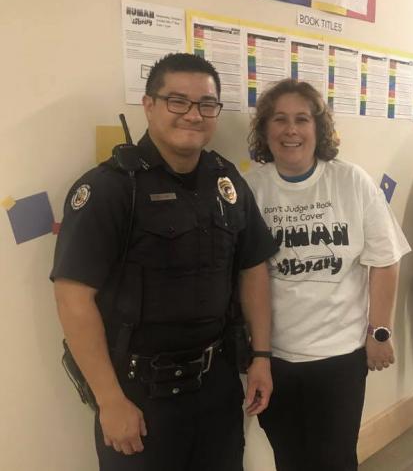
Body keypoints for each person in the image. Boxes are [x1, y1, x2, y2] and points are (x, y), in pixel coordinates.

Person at [51, 53, 277, 471]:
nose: (193, 114)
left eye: (206, 104)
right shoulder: (110, 189)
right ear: (149, 105)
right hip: (139, 396)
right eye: (178, 101)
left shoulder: (226, 181)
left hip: (218, 388)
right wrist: (110, 401)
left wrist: (260, 355)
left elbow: (253, 268)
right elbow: (72, 298)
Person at [245, 79, 411, 471]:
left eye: (302, 119)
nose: (291, 130)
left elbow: (384, 260)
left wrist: (379, 333)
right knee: (289, 457)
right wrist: (258, 355)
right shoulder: (250, 188)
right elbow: (247, 275)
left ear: (318, 129)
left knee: (334, 459)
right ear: (265, 130)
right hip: (275, 357)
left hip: (340, 355)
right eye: (280, 119)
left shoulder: (351, 181)